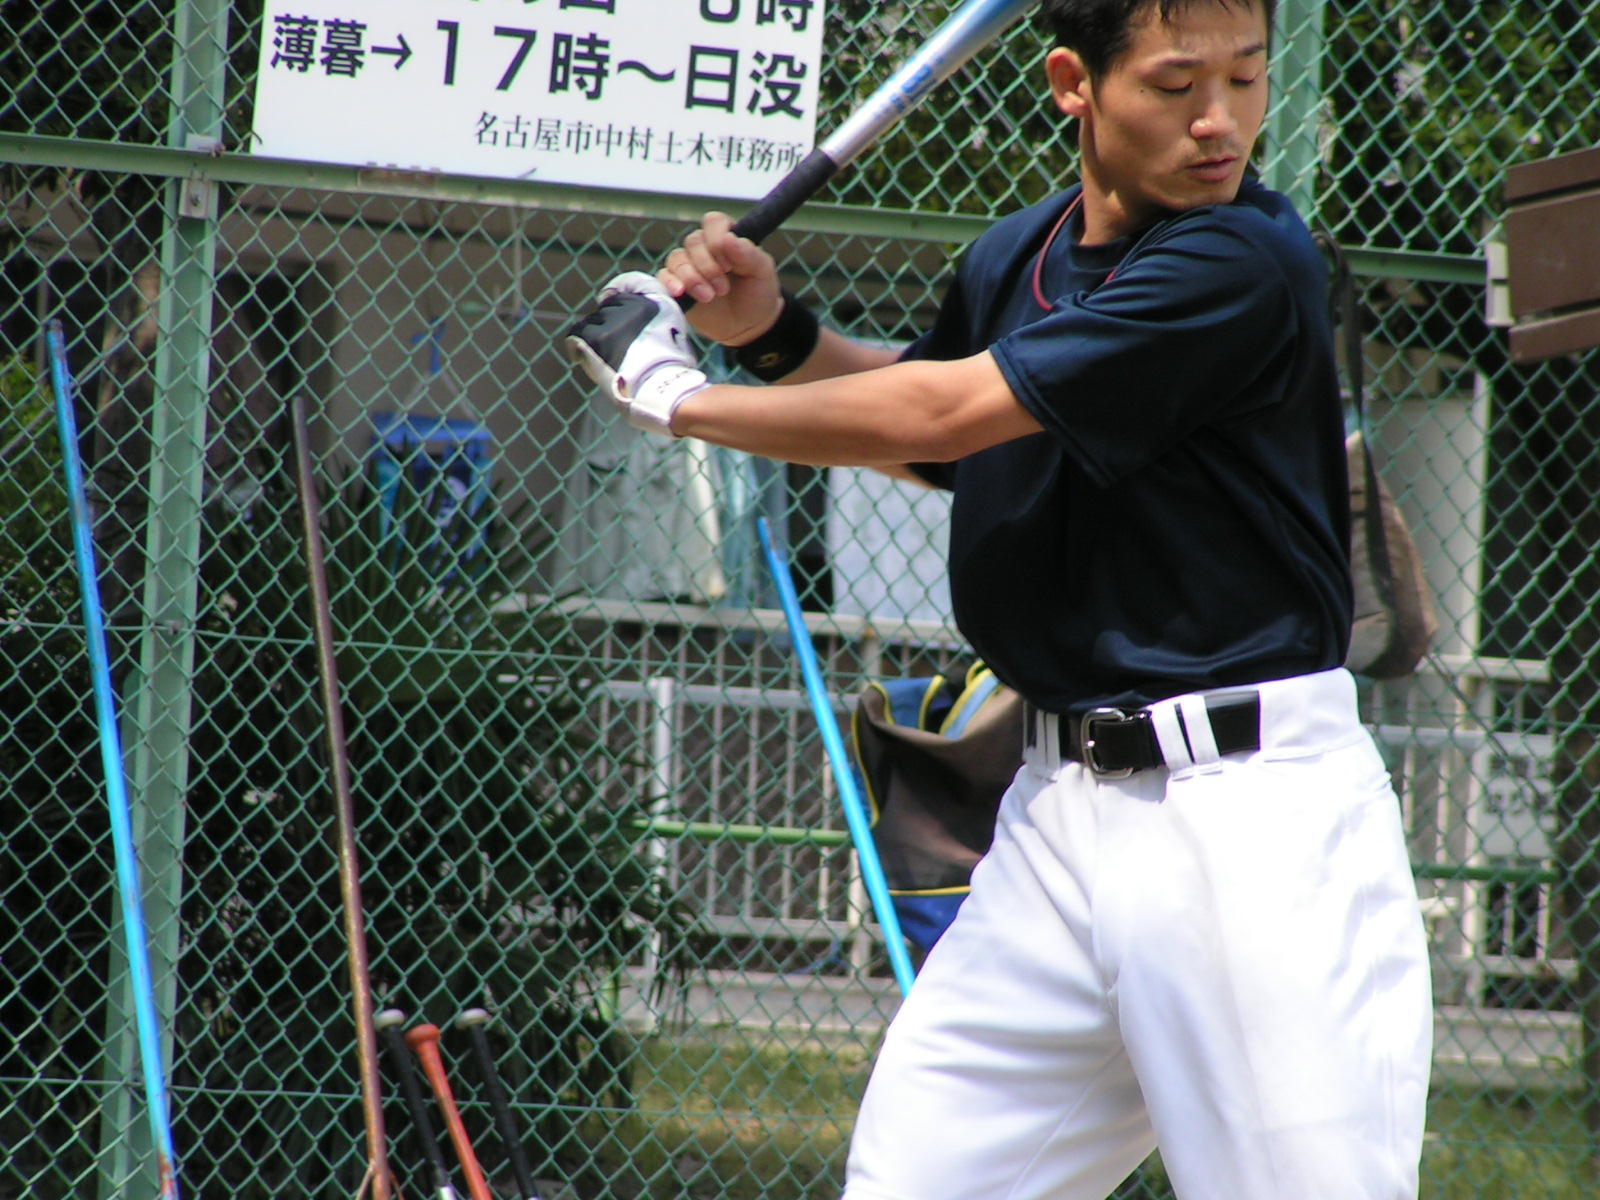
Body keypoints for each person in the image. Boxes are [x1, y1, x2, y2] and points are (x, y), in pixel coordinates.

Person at [567, 0, 1433, 1196]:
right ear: (1075, 83)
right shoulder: (1016, 255)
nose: (1218, 120)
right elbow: (946, 430)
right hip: (1055, 816)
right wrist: (769, 334)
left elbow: (946, 412)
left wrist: (673, 393)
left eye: (1244, 78)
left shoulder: (1237, 259)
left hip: (1244, 824)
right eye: (1175, 85)